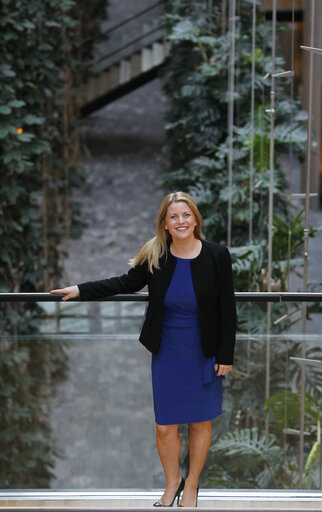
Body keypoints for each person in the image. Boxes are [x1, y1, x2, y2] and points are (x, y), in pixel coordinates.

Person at [50, 191, 236, 508]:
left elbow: (227, 309)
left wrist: (225, 356)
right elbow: (123, 283)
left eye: (187, 215)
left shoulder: (217, 255)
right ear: (164, 223)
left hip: (203, 351)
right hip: (167, 351)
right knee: (165, 426)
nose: (181, 221)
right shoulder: (156, 256)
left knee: (200, 422)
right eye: (174, 216)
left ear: (196, 220)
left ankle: (191, 485)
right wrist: (80, 290)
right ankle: (172, 480)